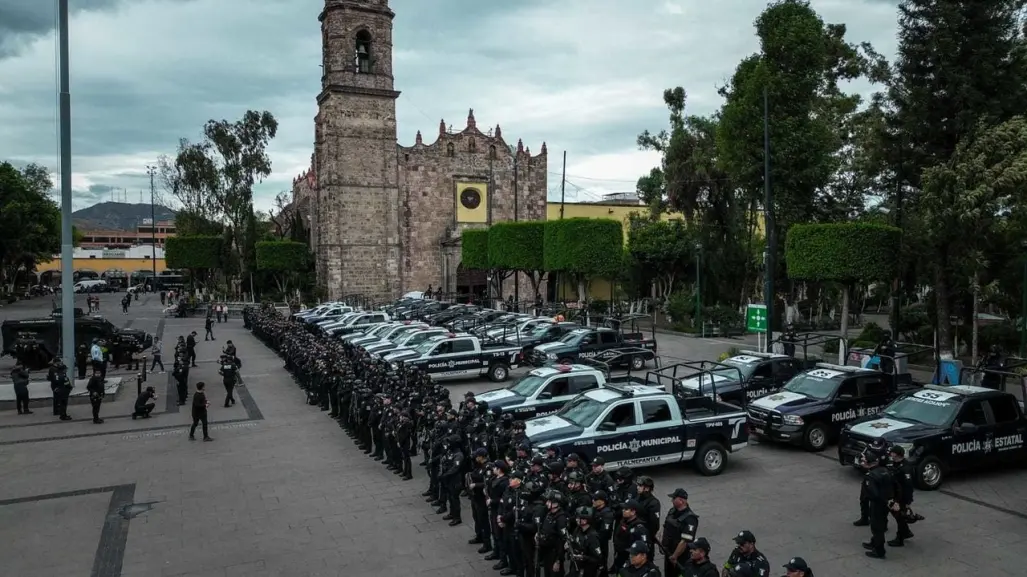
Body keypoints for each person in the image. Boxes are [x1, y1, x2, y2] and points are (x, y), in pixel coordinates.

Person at [862, 451, 893, 559]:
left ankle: (879, 550)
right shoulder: (885, 470)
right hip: (886, 502)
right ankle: (874, 543)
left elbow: (873, 493)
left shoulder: (871, 476)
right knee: (881, 524)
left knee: (876, 527)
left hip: (877, 504)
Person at [662, 489, 698, 577]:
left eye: (674, 498)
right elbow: (665, 526)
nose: (671, 500)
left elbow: (684, 541)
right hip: (668, 551)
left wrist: (675, 556)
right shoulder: (672, 511)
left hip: (680, 557)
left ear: (681, 501)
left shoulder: (690, 519)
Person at [886, 445, 915, 547]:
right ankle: (906, 532)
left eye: (892, 452)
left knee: (900, 517)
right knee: (897, 515)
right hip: (895, 495)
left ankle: (900, 539)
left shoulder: (905, 468)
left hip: (901, 497)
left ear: (897, 454)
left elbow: (908, 486)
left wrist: (906, 502)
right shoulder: (895, 464)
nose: (891, 454)